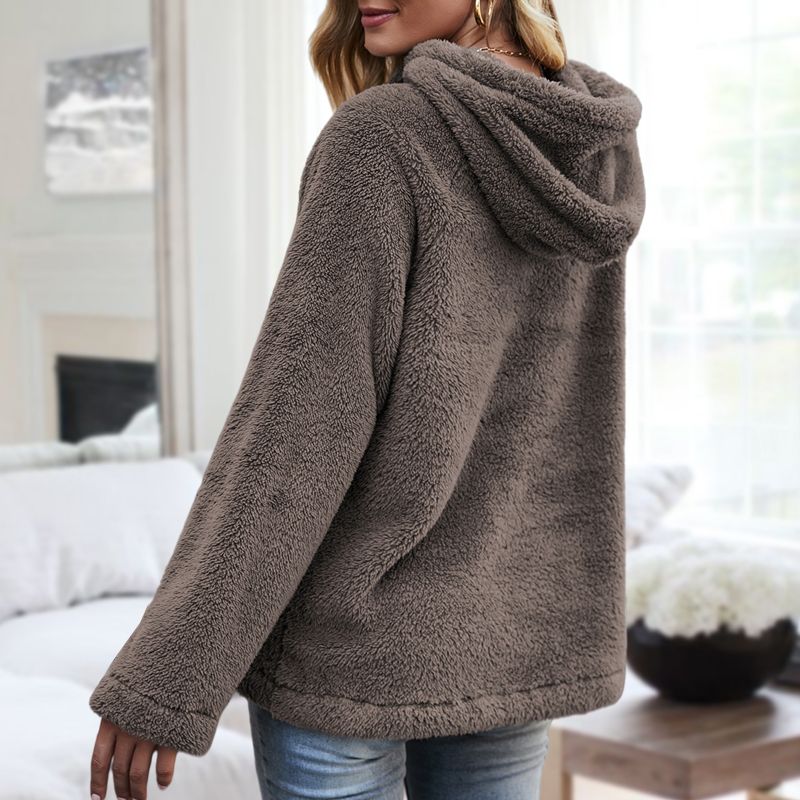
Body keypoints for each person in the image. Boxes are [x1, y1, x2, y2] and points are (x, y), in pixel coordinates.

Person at [88, 0, 647, 798]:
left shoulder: (382, 136)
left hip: (348, 657)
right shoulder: (591, 146)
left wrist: (168, 673)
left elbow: (296, 428)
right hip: (511, 643)